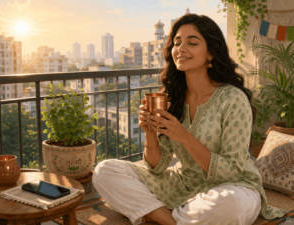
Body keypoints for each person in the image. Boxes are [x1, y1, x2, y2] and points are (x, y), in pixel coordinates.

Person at [92, 14, 287, 225]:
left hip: (234, 186)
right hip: (183, 183)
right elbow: (158, 167)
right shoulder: (173, 97)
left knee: (231, 205)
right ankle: (174, 220)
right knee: (105, 171)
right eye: (177, 43)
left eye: (192, 43)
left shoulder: (233, 99)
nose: (181, 48)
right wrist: (149, 130)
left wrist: (183, 136)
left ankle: (156, 213)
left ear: (211, 53)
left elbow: (232, 171)